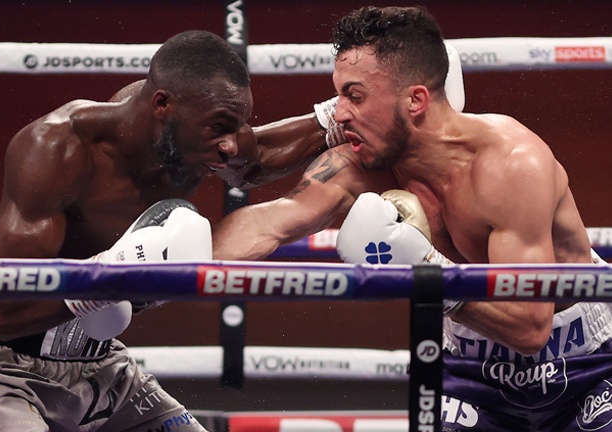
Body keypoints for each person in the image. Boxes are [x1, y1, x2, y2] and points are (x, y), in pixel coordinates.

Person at [212, 6, 612, 431]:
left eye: (354, 95)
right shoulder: (356, 166)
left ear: (416, 100)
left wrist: (429, 271)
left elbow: (531, 329)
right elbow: (266, 224)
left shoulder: (510, 164)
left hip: (589, 362)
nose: (338, 113)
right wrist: (142, 271)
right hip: (469, 371)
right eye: (338, 96)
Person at [0, 30, 258, 432]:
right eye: (219, 127)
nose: (230, 148)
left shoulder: (185, 148)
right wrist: (112, 276)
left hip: (101, 369)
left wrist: (338, 121)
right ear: (162, 105)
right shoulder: (56, 149)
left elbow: (262, 155)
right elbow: (4, 315)